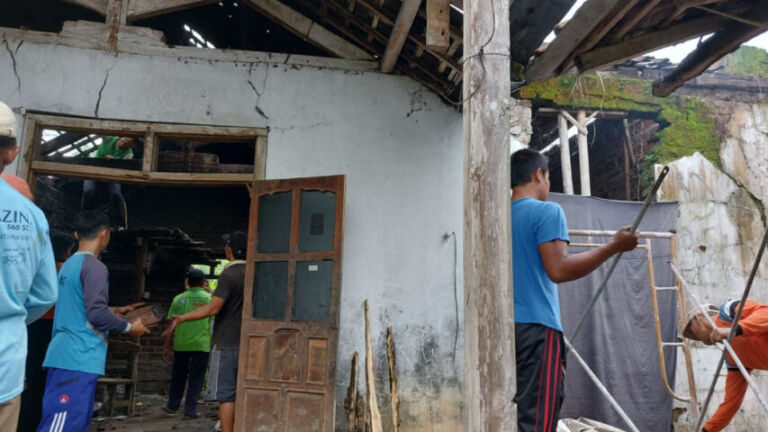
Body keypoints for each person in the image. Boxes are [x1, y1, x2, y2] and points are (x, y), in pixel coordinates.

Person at [510, 149, 639, 432]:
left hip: (506, 330)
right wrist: (613, 247)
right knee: (539, 420)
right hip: (537, 329)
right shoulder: (547, 211)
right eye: (548, 177)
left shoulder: (498, 217)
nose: (548, 185)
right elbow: (559, 269)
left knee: (513, 414)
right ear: (538, 174)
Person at [36, 211, 150, 432]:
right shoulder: (95, 267)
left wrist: (114, 310)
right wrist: (129, 327)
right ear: (105, 234)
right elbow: (96, 313)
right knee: (61, 425)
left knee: (72, 423)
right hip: (77, 356)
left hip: (67, 354)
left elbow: (79, 306)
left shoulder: (69, 265)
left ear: (77, 234)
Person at [0, 100, 58, 431]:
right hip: (4, 363)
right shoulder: (31, 215)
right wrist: (13, 317)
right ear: (12, 153)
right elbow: (45, 293)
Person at [165, 231, 247, 432]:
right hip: (250, 344)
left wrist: (182, 318)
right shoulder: (255, 272)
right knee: (243, 391)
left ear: (230, 250)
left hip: (226, 343)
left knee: (226, 394)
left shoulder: (229, 274)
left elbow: (213, 308)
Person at [18, 232, 75, 432]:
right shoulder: (65, 271)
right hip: (53, 329)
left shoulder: (37, 269)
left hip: (31, 326)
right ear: (67, 251)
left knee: (32, 378)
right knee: (48, 382)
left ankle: (25, 422)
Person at [683, 300, 768, 432]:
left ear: (697, 319)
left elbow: (765, 312)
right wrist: (706, 430)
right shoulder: (732, 357)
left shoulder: (728, 312)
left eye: (692, 332)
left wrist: (735, 329)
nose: (695, 338)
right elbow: (731, 403)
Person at [162, 268, 213, 418]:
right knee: (197, 378)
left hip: (181, 344)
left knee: (179, 376)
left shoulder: (178, 299)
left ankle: (172, 406)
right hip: (201, 345)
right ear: (203, 282)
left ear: (188, 282)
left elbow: (171, 325)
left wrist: (166, 346)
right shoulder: (210, 299)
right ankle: (190, 409)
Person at [81, 136, 136, 229]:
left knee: (116, 194)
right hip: (94, 171)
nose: (126, 141)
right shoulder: (109, 138)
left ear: (132, 145)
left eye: (130, 141)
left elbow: (123, 169)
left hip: (112, 175)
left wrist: (113, 161)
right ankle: (85, 219)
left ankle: (121, 225)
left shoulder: (129, 154)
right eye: (126, 138)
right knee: (88, 191)